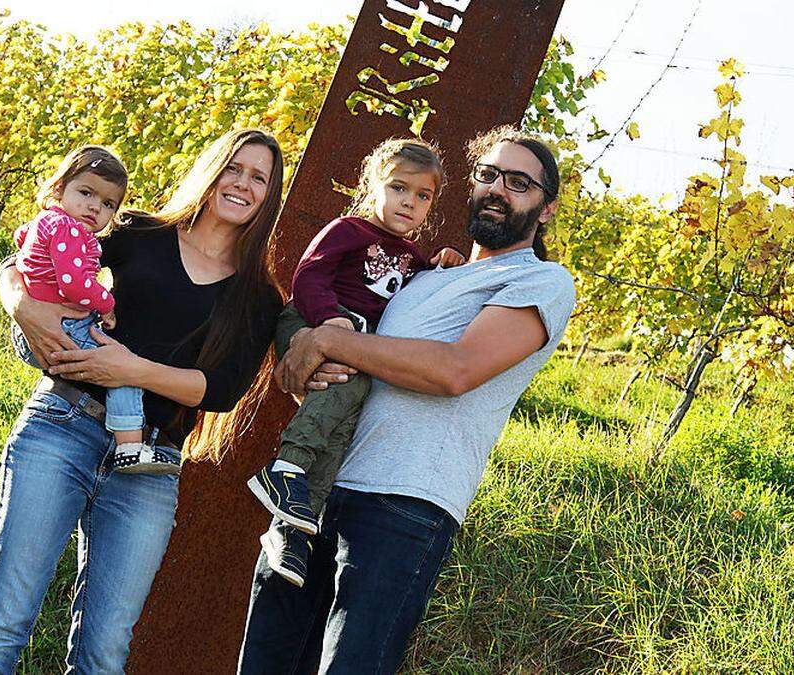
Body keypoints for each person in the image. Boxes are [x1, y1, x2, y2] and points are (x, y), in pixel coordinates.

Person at [238, 126, 577, 674]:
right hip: (316, 499)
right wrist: (304, 363)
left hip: (402, 505)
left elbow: (455, 370)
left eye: (518, 182)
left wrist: (327, 338)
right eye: (487, 175)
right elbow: (342, 352)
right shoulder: (421, 275)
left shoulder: (541, 282)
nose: (496, 189)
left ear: (546, 208)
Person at [0, 128, 286, 673]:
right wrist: (20, 305)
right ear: (213, 170)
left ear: (269, 195)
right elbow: (31, 255)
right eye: (234, 168)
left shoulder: (258, 295)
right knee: (3, 625)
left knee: (105, 653)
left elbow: (222, 390)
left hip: (151, 465)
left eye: (259, 177)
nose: (242, 184)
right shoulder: (139, 234)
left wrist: (131, 369)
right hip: (64, 425)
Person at [245, 138, 464, 587]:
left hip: (353, 344)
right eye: (399, 188)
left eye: (423, 196)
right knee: (347, 381)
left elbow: (412, 291)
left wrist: (442, 263)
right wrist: (333, 322)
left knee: (342, 429)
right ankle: (285, 467)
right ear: (372, 187)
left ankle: (291, 529)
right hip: (309, 322)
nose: (410, 202)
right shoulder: (349, 230)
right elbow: (309, 276)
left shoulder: (411, 257)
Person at [8, 144, 171, 474]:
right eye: (86, 192)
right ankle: (129, 447)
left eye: (108, 203)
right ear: (59, 188)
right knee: (123, 371)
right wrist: (107, 303)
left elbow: (19, 237)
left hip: (42, 326)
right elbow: (73, 283)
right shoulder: (67, 229)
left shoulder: (49, 222)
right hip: (62, 329)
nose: (94, 207)